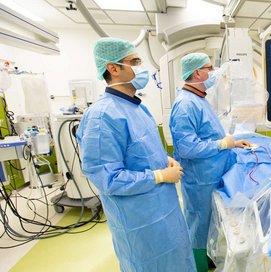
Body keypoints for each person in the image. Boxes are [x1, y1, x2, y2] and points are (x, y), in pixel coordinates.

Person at [77, 37, 195, 272]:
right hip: (139, 218)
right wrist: (159, 176)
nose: (142, 68)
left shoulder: (137, 107)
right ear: (113, 68)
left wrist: (165, 160)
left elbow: (143, 151)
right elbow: (107, 178)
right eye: (135, 61)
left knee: (177, 260)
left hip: (164, 209)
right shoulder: (102, 117)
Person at [169, 52, 251, 271]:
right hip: (200, 179)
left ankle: (207, 257)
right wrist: (223, 144)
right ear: (197, 72)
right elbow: (188, 148)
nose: (213, 73)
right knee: (198, 224)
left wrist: (232, 143)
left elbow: (209, 135)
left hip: (210, 174)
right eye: (209, 68)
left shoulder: (198, 100)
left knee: (207, 223)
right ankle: (197, 266)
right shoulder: (186, 105)